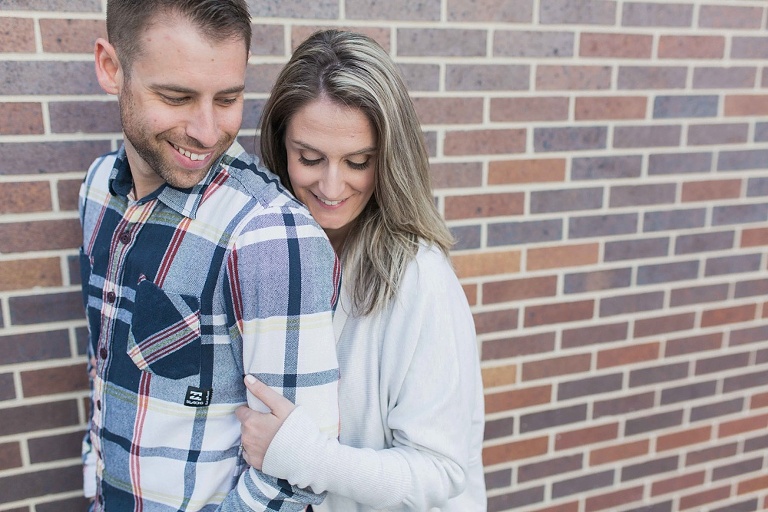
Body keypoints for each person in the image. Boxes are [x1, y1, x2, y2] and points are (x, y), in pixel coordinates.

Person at [79, 2, 340, 510]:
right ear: (112, 69)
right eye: (176, 96)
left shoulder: (271, 236)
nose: (206, 131)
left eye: (228, 98)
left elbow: (296, 477)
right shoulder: (97, 190)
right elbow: (103, 368)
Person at [236, 29, 487, 511]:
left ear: (389, 159)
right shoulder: (271, 251)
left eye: (357, 162)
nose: (332, 186)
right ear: (279, 144)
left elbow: (442, 469)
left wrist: (303, 456)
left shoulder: (420, 278)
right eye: (309, 158)